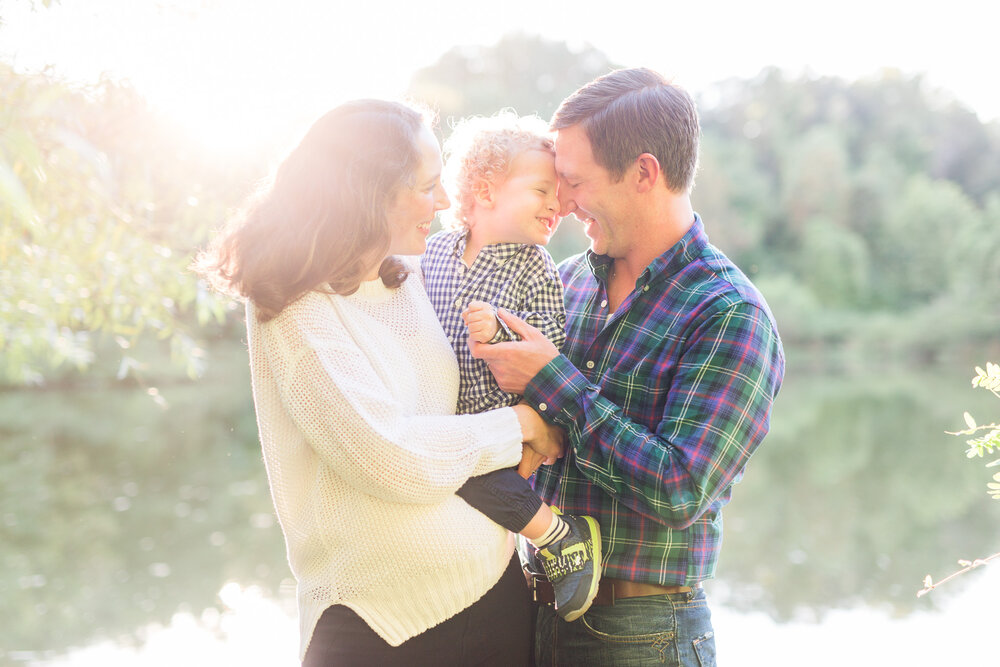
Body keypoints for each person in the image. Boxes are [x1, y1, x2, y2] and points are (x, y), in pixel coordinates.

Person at [196, 99, 566, 666]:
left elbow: (461, 401)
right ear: (368, 192)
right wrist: (518, 426)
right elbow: (389, 454)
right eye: (427, 186)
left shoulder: (408, 277)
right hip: (381, 627)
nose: (444, 202)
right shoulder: (294, 307)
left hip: (496, 594)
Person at [469, 68, 786, 666]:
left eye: (575, 181)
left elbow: (680, 488)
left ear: (644, 173)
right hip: (524, 614)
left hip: (639, 636)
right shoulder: (561, 283)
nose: (561, 202)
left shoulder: (727, 314)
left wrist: (552, 382)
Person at [421, 111, 601, 622]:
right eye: (542, 190)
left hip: (499, 416)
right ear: (485, 192)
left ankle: (560, 536)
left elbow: (550, 347)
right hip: (442, 413)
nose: (557, 206)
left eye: (558, 194)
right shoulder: (435, 251)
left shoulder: (535, 266)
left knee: (475, 477)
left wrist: (498, 332)